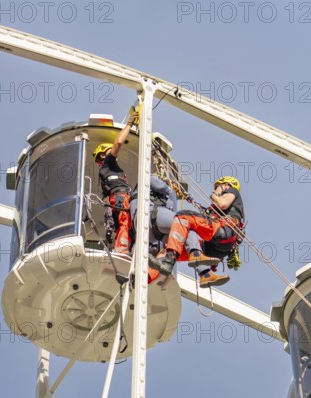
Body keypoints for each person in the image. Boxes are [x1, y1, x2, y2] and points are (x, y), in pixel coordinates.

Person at [149, 176, 245, 288]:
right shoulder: (213, 210)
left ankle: (170, 258)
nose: (214, 190)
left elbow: (223, 204)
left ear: (226, 186)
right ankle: (205, 274)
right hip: (214, 248)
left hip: (222, 231)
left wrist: (213, 196)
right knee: (166, 251)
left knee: (182, 216)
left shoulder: (232, 191)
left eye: (217, 187)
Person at [131, 174, 220, 283]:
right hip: (148, 215)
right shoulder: (148, 180)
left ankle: (205, 274)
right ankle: (196, 260)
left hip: (152, 231)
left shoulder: (148, 198)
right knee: (185, 225)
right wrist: (170, 189)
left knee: (183, 236)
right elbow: (150, 179)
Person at [93, 111, 139, 254]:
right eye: (109, 150)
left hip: (118, 199)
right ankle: (122, 250)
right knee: (125, 223)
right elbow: (118, 142)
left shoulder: (108, 171)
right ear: (103, 155)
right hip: (121, 198)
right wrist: (130, 124)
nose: (114, 152)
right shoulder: (107, 164)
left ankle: (123, 249)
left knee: (124, 225)